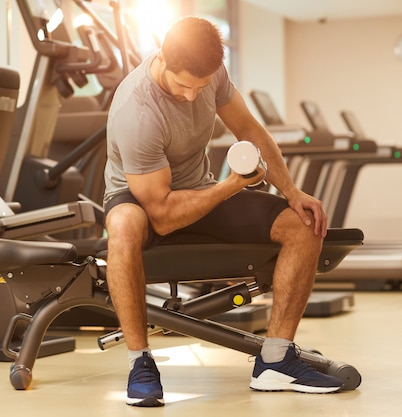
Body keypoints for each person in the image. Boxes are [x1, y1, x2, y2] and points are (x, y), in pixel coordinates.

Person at [103, 16, 343, 407]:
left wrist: (292, 190)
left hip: (201, 189)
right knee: (125, 225)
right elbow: (161, 214)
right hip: (140, 200)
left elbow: (250, 129)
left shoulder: (210, 75)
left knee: (303, 225)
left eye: (200, 88)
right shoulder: (137, 111)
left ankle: (276, 359)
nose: (192, 97)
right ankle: (140, 362)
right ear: (162, 58)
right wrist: (231, 185)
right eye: (183, 85)